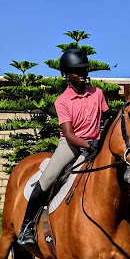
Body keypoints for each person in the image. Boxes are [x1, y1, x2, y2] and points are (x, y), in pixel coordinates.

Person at [17, 49, 111, 246]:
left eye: (85, 70)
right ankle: (26, 226)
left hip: (96, 144)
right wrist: (90, 144)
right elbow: (69, 134)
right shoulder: (62, 101)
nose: (83, 74)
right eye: (78, 72)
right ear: (66, 74)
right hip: (72, 145)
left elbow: (106, 119)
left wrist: (103, 139)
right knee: (48, 177)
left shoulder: (98, 94)